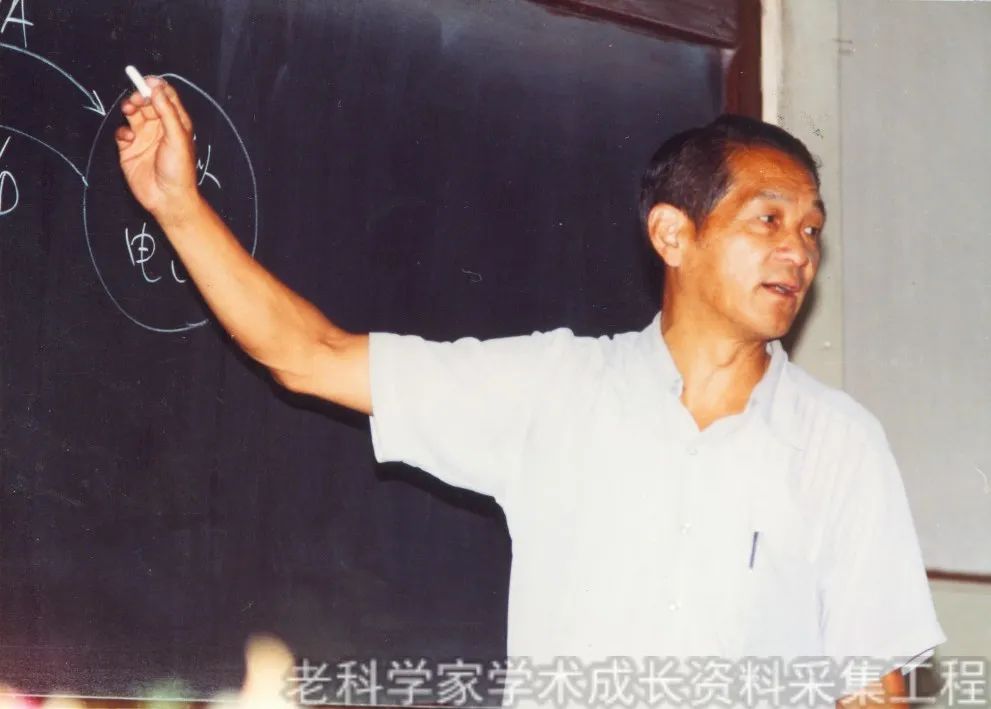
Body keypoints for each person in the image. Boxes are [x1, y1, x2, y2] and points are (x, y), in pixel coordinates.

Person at [116, 77, 945, 708]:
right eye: (767, 220)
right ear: (672, 233)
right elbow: (311, 355)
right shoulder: (557, 389)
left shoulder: (838, 444)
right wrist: (178, 205)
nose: (798, 252)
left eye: (810, 229)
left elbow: (870, 690)